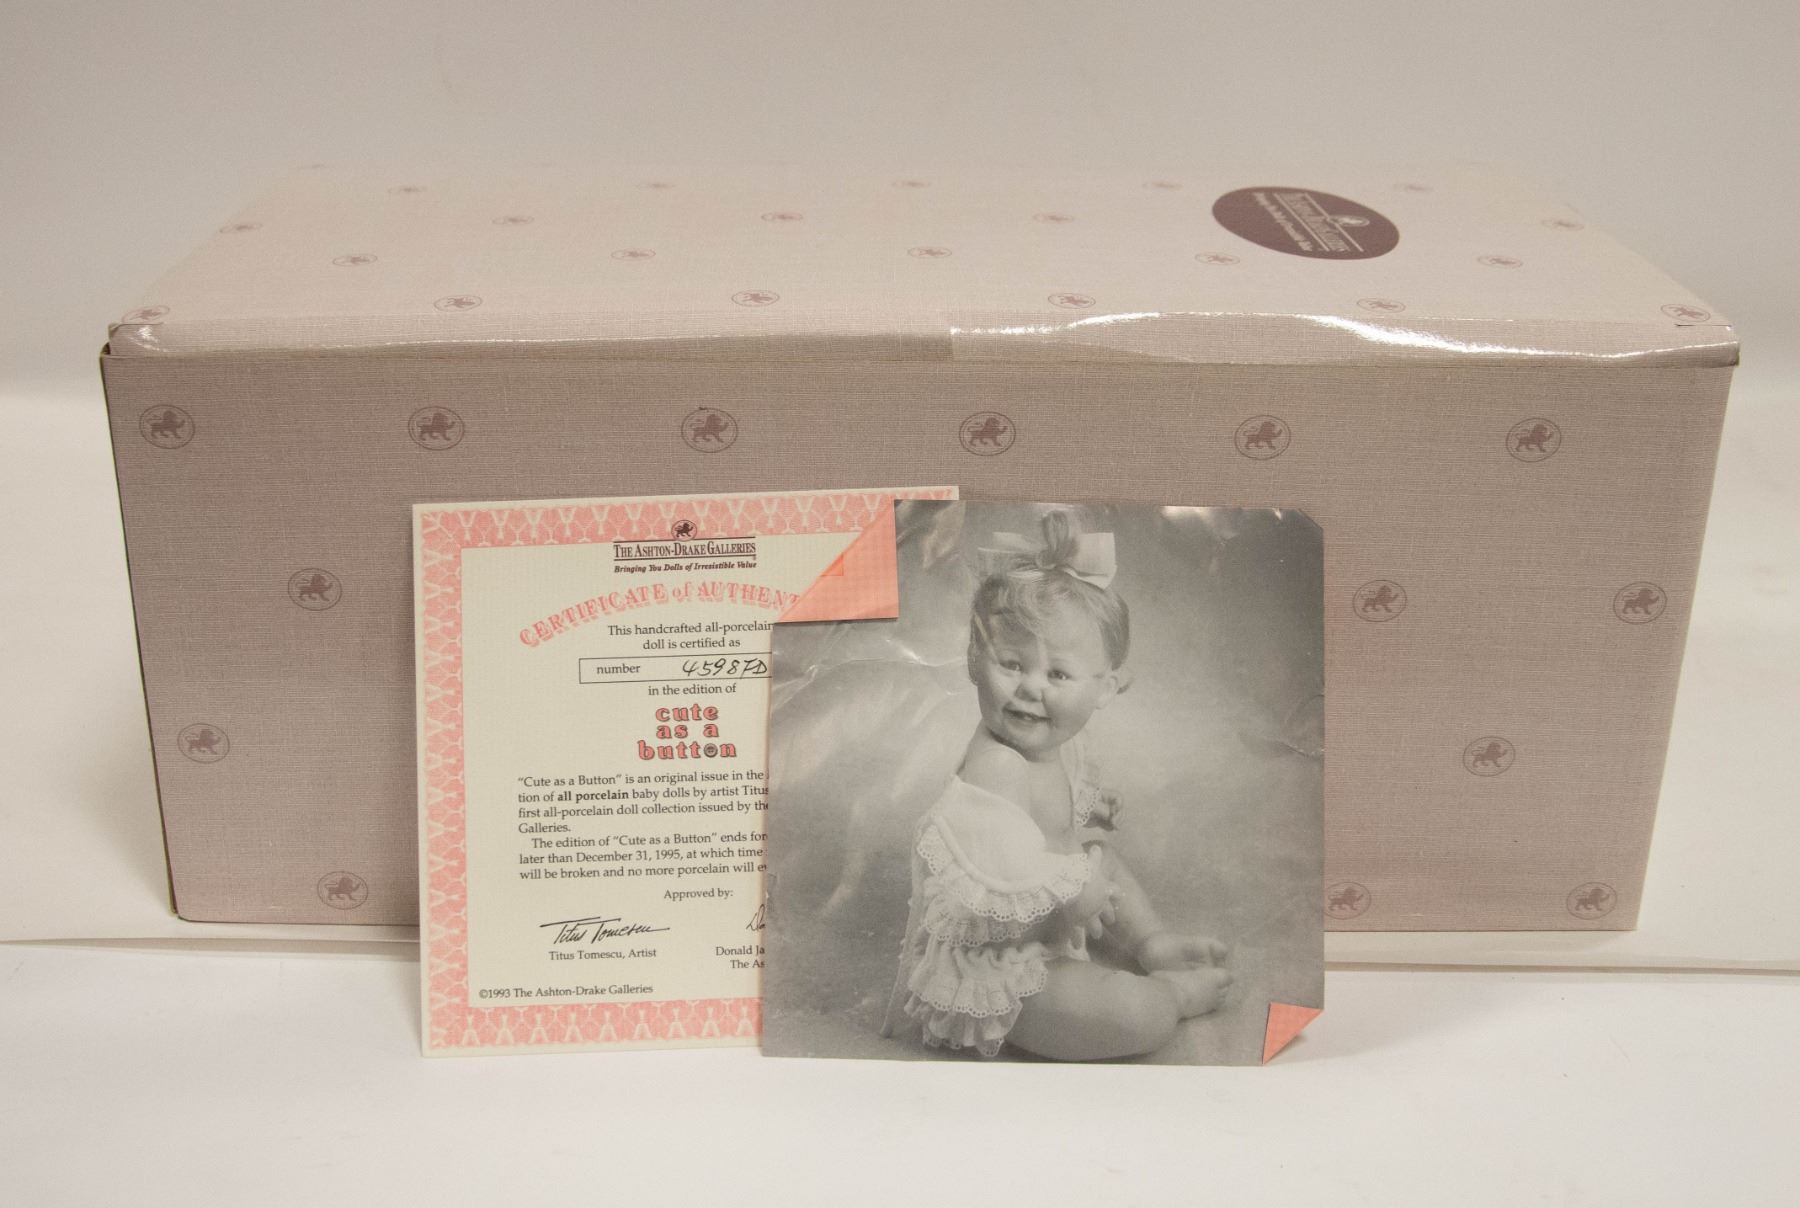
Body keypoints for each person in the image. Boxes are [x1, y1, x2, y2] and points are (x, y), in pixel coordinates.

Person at [882, 511, 1230, 1061]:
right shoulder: (997, 766)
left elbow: (1051, 816)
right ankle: (1172, 995)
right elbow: (1001, 887)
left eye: (1058, 674)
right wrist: (1074, 890)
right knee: (1131, 1014)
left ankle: (1151, 942)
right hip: (1000, 958)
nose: (1031, 689)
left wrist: (1085, 808)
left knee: (1100, 854)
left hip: (1052, 921)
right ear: (974, 662)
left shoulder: (1051, 744)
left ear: (1105, 689)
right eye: (1011, 663)